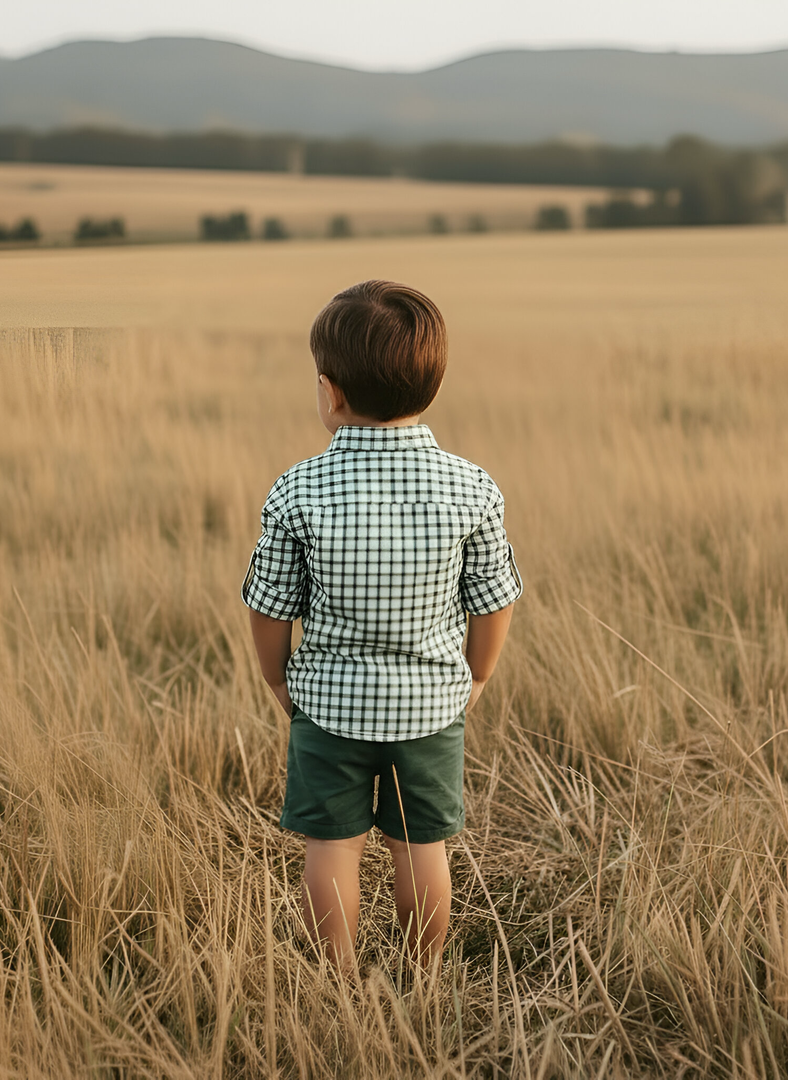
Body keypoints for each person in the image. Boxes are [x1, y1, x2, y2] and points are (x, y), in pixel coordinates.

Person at [241, 279, 521, 971]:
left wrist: (277, 676)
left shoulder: (298, 488)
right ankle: (421, 972)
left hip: (329, 706)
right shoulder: (472, 487)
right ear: (433, 386)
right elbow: (493, 599)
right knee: (421, 848)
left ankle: (333, 971)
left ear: (330, 392)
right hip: (429, 709)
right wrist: (477, 674)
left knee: (331, 849)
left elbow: (269, 603)